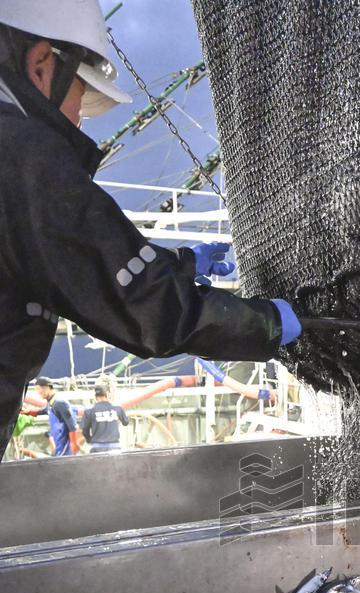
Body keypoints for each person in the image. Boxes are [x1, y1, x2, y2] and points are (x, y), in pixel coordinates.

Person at [0, 0, 302, 460]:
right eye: (79, 95)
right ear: (41, 64)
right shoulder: (19, 149)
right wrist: (266, 324)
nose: (78, 120)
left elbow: (83, 263)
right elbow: (138, 303)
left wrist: (182, 264)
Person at [33, 376, 80, 456]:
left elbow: (72, 425)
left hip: (65, 445)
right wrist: (27, 412)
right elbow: (44, 410)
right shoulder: (51, 403)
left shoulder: (60, 403)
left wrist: (74, 443)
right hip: (58, 444)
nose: (37, 392)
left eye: (38, 389)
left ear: (47, 387)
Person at [81, 384, 128, 452]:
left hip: (97, 447)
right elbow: (126, 422)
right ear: (108, 394)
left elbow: (85, 431)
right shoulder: (117, 409)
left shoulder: (89, 412)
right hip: (114, 447)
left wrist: (89, 440)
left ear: (95, 396)